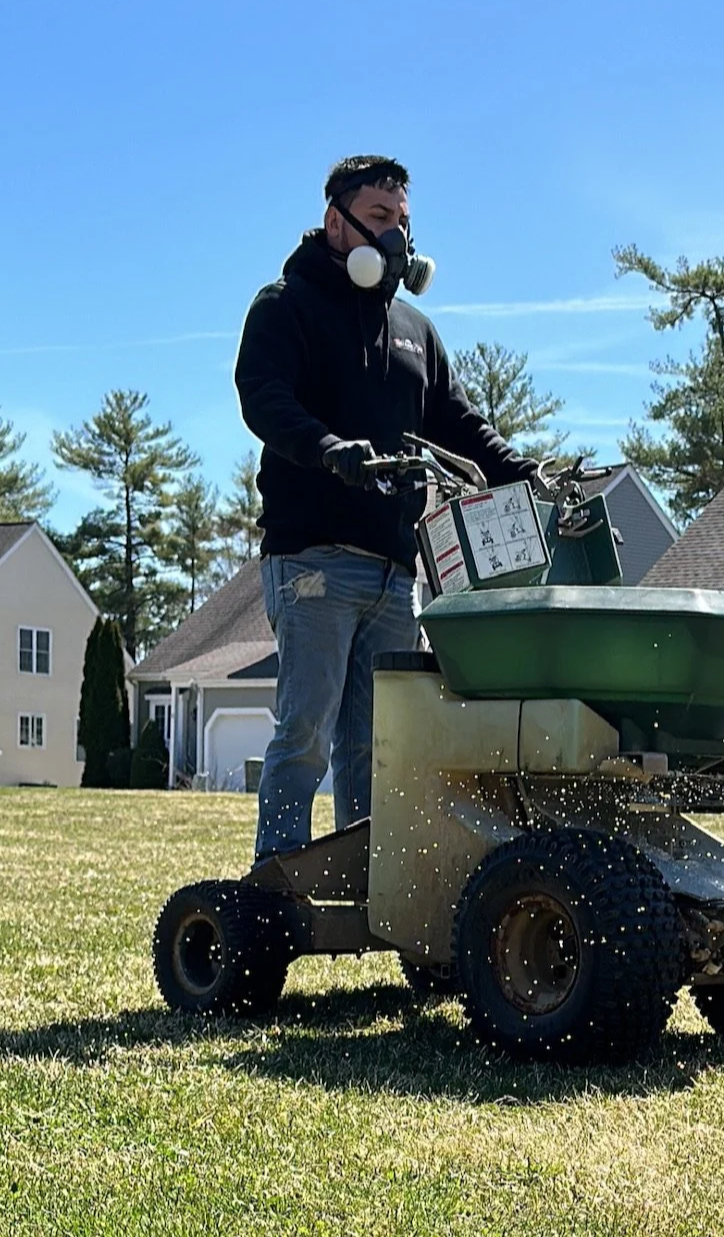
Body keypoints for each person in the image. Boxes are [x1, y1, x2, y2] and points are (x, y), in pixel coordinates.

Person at [235, 155, 541, 864]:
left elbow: (461, 426)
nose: (396, 237)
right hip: (314, 560)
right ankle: (278, 878)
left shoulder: (416, 332)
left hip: (396, 575)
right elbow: (265, 398)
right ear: (335, 221)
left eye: (403, 222)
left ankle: (373, 885)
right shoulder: (286, 306)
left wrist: (524, 472)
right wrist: (328, 448)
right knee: (305, 732)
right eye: (380, 219)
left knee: (379, 746)